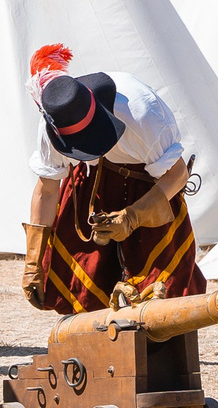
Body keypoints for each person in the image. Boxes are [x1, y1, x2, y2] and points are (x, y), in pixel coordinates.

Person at [21, 47, 204, 317]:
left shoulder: (143, 113)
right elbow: (47, 190)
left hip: (149, 188)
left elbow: (176, 174)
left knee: (160, 293)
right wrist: (33, 263)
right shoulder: (55, 121)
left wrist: (132, 217)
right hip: (90, 184)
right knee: (83, 287)